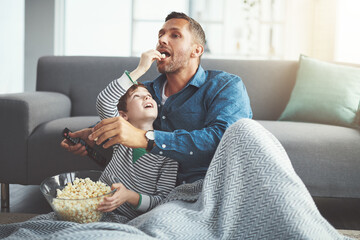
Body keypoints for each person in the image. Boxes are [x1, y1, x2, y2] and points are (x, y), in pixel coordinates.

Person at [61, 11, 253, 186]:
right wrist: (97, 135)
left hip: (207, 187)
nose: (162, 40)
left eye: (174, 35)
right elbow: (123, 118)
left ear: (197, 50)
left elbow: (224, 139)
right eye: (160, 34)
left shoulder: (225, 86)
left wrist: (147, 139)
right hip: (151, 194)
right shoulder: (147, 91)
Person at [95, 79, 178, 220]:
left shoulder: (168, 153)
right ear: (122, 116)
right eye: (137, 96)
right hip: (95, 208)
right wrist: (140, 68)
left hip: (132, 220)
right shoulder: (121, 138)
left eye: (149, 95)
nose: (146, 97)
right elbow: (104, 100)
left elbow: (162, 201)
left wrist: (129, 196)